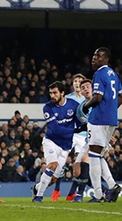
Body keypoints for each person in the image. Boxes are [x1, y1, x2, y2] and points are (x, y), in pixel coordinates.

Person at [82, 47, 122, 202]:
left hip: (98, 119)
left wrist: (86, 106)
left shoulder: (99, 74)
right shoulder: (114, 75)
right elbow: (121, 96)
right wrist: (111, 109)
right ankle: (112, 186)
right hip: (111, 119)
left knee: (93, 155)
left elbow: (97, 97)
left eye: (98, 56)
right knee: (97, 154)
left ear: (106, 59)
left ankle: (98, 194)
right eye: (93, 55)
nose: (94, 58)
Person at [32, 81, 80, 202]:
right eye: (50, 93)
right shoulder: (48, 107)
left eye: (55, 93)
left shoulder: (73, 105)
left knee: (53, 179)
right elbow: (55, 129)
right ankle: (39, 196)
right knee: (52, 165)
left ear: (62, 93)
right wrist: (75, 130)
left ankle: (37, 188)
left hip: (66, 146)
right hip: (51, 141)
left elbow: (80, 122)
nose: (52, 96)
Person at [52, 73, 87, 201]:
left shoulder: (88, 98)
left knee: (78, 166)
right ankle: (56, 190)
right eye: (75, 81)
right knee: (60, 159)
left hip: (84, 136)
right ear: (72, 85)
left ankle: (72, 192)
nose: (77, 83)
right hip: (70, 133)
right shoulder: (67, 98)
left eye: (80, 81)